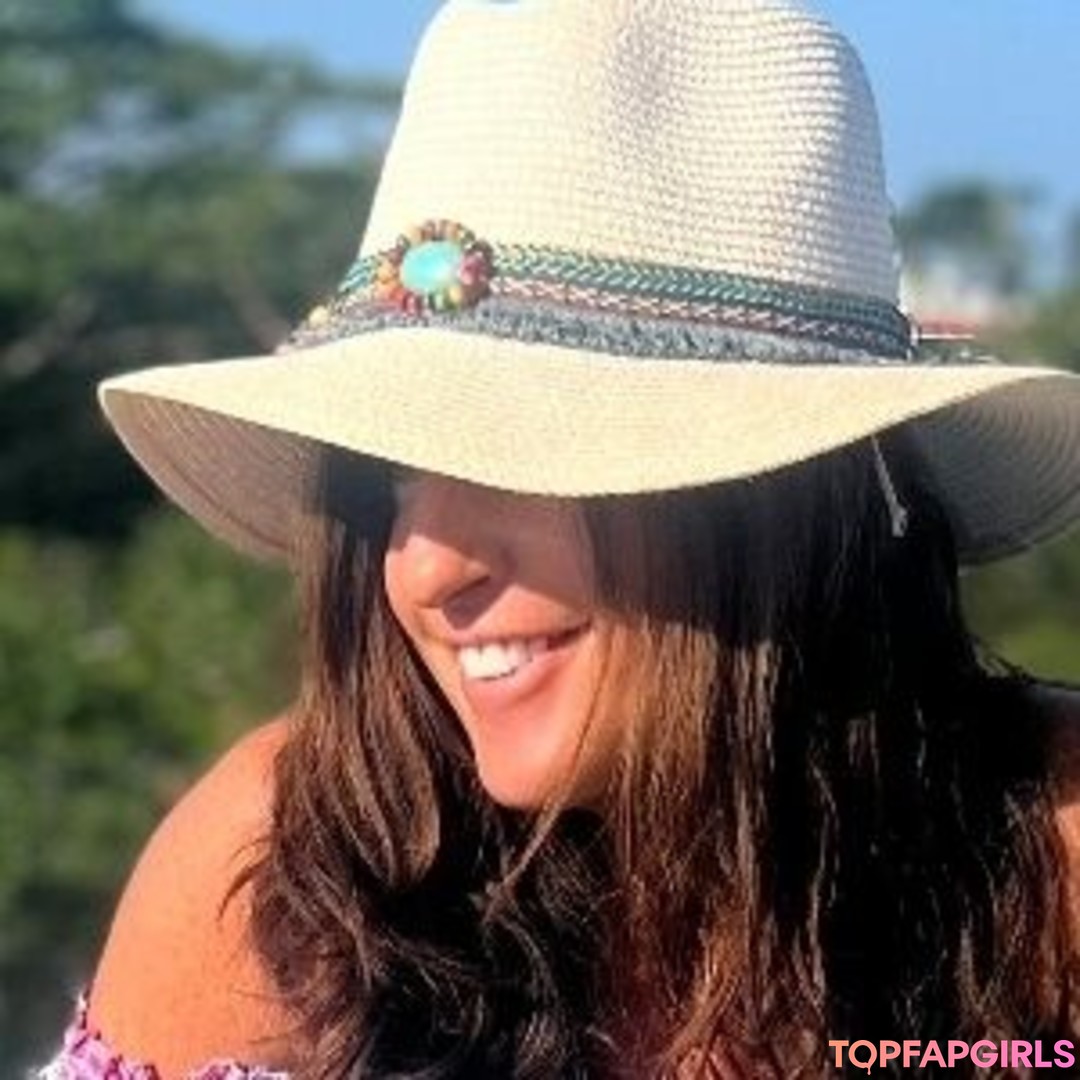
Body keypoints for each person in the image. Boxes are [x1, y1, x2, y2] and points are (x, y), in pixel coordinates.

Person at [40, 0, 1080, 1077]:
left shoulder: (1051, 863)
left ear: (771, 496)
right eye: (392, 476)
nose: (426, 569)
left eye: (511, 459)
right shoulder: (286, 877)